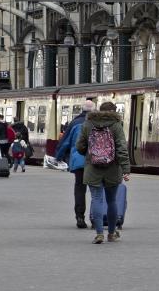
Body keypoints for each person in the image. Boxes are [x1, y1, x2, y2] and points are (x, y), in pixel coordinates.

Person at [76, 101, 130, 244]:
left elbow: (80, 146)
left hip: (93, 168)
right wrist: (126, 169)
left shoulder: (88, 124)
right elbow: (122, 148)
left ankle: (99, 234)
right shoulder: (116, 125)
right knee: (111, 201)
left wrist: (89, 152)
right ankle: (111, 234)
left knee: (96, 199)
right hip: (113, 168)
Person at [55, 100, 96, 229]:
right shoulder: (98, 123)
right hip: (97, 160)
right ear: (94, 110)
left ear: (82, 110)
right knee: (96, 191)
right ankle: (96, 218)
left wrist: (58, 157)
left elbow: (65, 142)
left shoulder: (74, 123)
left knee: (80, 189)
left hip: (79, 161)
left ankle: (80, 217)